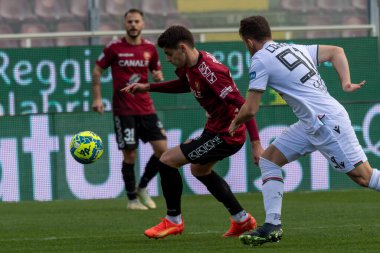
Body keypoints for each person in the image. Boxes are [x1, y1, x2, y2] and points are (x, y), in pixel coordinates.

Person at [229, 15, 377, 247]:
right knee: (269, 161)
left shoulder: (260, 59)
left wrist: (234, 123)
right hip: (311, 124)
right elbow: (336, 51)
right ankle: (272, 225)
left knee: (364, 177)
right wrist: (345, 83)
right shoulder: (293, 48)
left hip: (327, 123)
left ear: (249, 42)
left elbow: (250, 109)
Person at [122, 25, 264, 239]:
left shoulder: (211, 71)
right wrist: (148, 87)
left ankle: (173, 220)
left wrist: (256, 143)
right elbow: (184, 84)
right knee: (199, 170)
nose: (168, 59)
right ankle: (242, 219)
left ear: (182, 48)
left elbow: (244, 105)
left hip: (227, 135)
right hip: (214, 129)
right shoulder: (190, 65)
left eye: (169, 54)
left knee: (167, 160)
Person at [92, 9, 167, 210]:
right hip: (124, 110)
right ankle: (132, 200)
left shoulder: (150, 48)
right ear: (124, 24)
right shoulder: (114, 47)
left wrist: (158, 76)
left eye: (137, 21)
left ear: (143, 24)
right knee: (130, 155)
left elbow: (156, 70)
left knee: (162, 150)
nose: (133, 25)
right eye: (130, 21)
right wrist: (97, 98)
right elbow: (97, 70)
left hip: (146, 107)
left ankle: (142, 186)